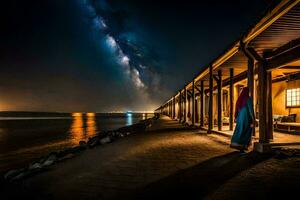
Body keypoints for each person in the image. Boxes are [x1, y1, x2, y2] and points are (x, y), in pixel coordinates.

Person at [230, 87, 254, 152]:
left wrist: (236, 117)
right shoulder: (248, 99)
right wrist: (253, 118)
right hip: (246, 118)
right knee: (247, 131)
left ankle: (236, 144)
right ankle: (243, 146)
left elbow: (237, 109)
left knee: (239, 131)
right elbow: (250, 110)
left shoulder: (239, 99)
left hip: (240, 118)